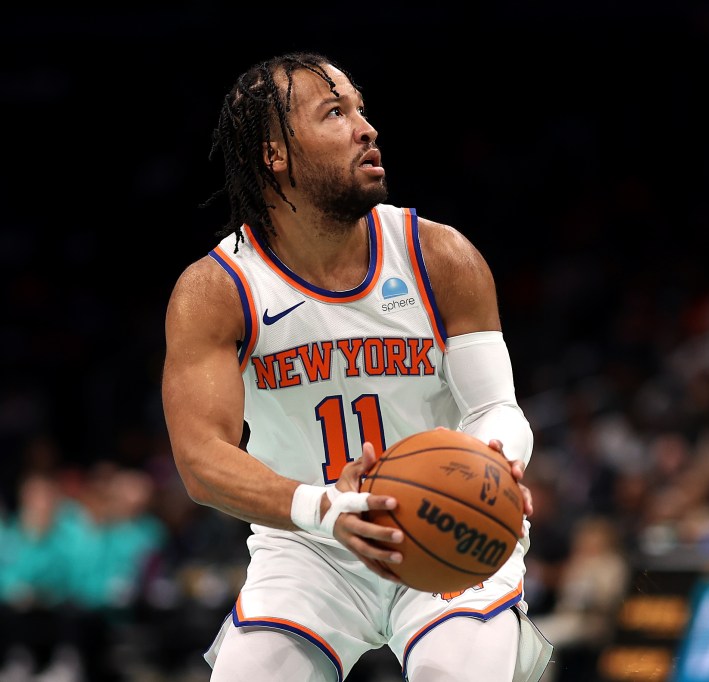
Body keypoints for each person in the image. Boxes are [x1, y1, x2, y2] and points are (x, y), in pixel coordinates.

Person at [161, 51, 552, 682]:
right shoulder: (219, 289)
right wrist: (325, 510)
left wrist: (492, 461)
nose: (366, 128)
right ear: (274, 154)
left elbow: (495, 407)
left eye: (361, 109)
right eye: (335, 113)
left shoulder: (439, 256)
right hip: (309, 543)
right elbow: (201, 460)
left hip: (443, 519)